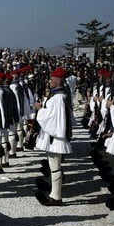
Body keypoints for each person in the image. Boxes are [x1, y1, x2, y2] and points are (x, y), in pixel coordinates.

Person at [33, 67, 73, 206]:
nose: (50, 81)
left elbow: (52, 118)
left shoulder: (58, 98)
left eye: (52, 79)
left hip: (55, 137)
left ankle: (56, 196)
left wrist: (40, 109)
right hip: (54, 136)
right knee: (53, 165)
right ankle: (54, 193)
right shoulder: (59, 96)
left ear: (58, 81)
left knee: (55, 166)